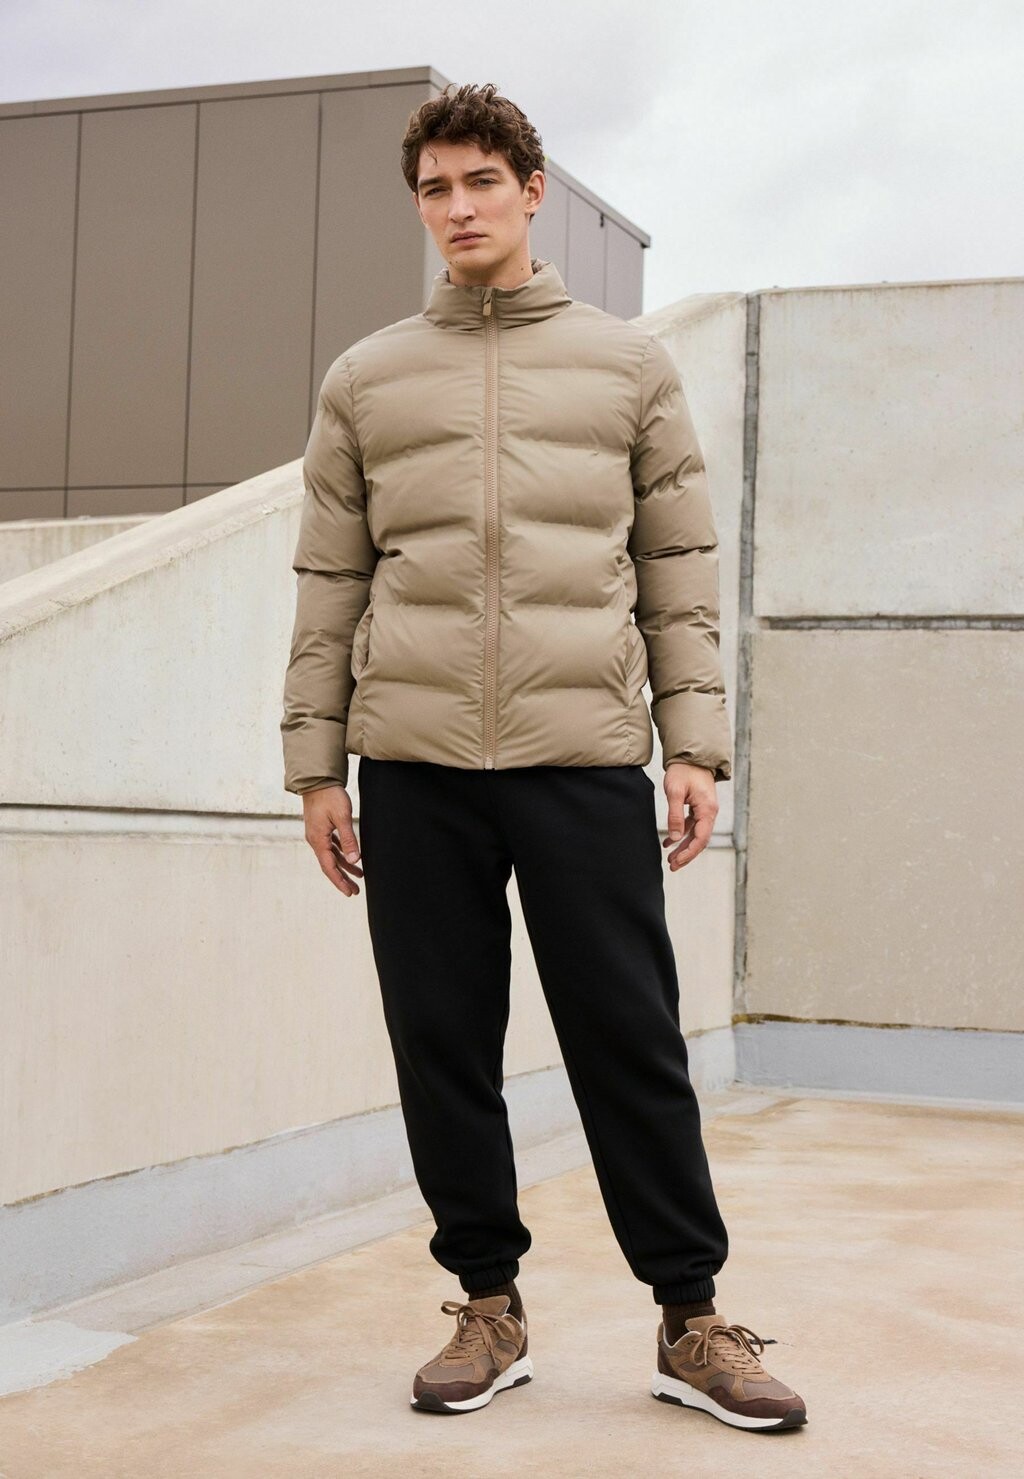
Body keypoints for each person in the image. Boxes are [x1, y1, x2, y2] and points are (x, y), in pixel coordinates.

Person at [280, 81, 806, 1433]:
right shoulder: (368, 379)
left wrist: (694, 746)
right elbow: (331, 581)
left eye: (480, 183)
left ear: (530, 191)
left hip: (582, 759)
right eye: (435, 189)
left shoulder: (627, 368)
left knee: (628, 1037)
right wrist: (318, 768)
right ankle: (487, 1304)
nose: (458, 208)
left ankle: (691, 1317)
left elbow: (676, 568)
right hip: (415, 767)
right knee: (441, 1040)